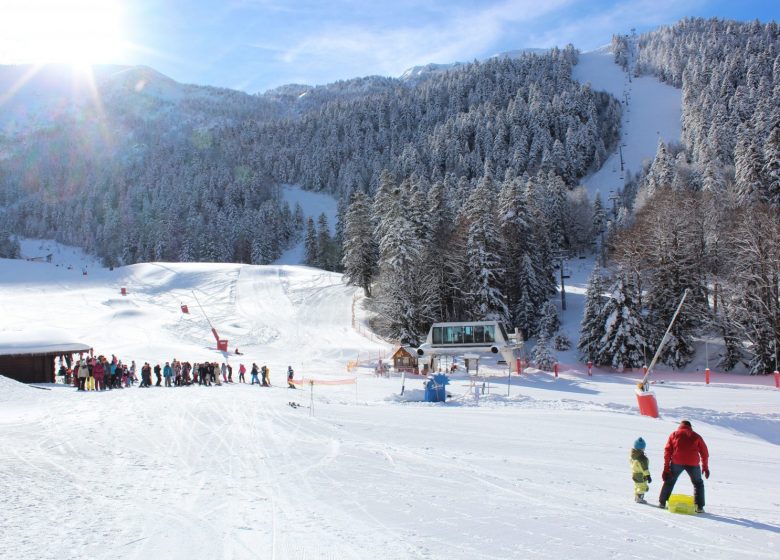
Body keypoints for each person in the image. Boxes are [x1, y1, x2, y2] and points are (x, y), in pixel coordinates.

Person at [658, 420, 710, 512]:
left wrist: (666, 468)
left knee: (670, 480)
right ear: (690, 427)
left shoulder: (674, 434)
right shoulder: (696, 436)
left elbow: (667, 452)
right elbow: (704, 453)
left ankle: (662, 503)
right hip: (693, 463)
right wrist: (705, 467)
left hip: (677, 461)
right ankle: (699, 507)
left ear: (680, 426)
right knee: (698, 483)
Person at [630, 437, 651, 504]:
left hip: (635, 473)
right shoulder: (642, 459)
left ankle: (636, 497)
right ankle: (640, 498)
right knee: (642, 487)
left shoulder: (633, 455)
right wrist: (648, 476)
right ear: (642, 448)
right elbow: (645, 468)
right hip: (641, 475)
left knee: (637, 485)